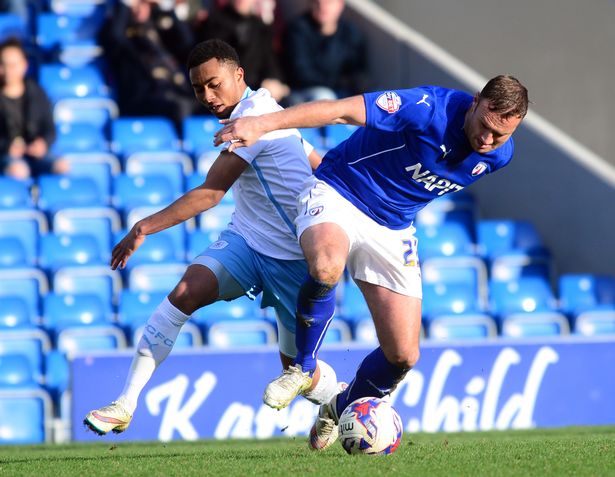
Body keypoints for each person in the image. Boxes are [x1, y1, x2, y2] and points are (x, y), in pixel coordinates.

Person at [214, 75, 529, 449]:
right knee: (326, 266)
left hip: (393, 228)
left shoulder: (499, 156)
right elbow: (340, 111)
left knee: (403, 355)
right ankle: (303, 367)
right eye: (485, 126)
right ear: (475, 101)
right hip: (340, 191)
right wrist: (261, 124)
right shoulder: (427, 108)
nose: (487, 140)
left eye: (500, 135)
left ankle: (337, 407)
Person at [83, 39, 342, 440]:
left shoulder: (253, 118)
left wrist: (143, 227)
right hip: (247, 241)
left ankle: (338, 400)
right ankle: (124, 404)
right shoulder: (267, 109)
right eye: (198, 88)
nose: (207, 96)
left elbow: (211, 193)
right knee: (184, 292)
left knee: (298, 371)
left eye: (214, 84)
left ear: (239, 75)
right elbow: (314, 159)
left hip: (293, 259)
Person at [98, 0, 202, 132]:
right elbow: (115, 37)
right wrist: (126, 6)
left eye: (143, 4)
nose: (139, 10)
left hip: (176, 91)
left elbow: (186, 43)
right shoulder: (122, 35)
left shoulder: (158, 29)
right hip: (143, 96)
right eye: (135, 6)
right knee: (179, 107)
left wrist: (168, 8)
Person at [195, 0, 289, 102]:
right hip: (231, 90)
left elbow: (269, 60)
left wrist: (274, 80)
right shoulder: (214, 23)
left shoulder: (259, 27)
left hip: (259, 88)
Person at [0, 38, 68, 179]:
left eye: (13, 65)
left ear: (24, 65)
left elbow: (50, 129)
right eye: (3, 65)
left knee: (62, 166)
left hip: (35, 154)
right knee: (18, 170)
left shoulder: (36, 92)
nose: (8, 70)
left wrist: (42, 143)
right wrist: (7, 147)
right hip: (6, 156)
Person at [283, 0, 368, 105]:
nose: (322, 7)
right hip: (304, 92)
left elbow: (358, 70)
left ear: (340, 4)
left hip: (342, 92)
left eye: (329, 2)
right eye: (317, 2)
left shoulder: (351, 33)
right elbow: (302, 74)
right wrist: (338, 82)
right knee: (324, 97)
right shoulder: (297, 30)